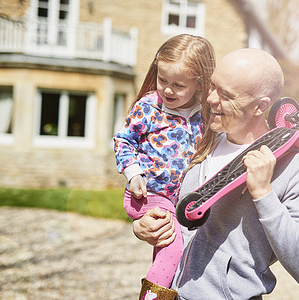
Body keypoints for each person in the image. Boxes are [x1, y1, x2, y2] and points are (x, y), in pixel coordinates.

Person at [133, 48, 299, 299]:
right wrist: (142, 225)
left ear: (260, 107)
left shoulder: (296, 165)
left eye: (226, 95)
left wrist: (263, 194)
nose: (211, 99)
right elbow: (169, 202)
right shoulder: (201, 139)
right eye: (213, 86)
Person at [113, 34, 215, 299]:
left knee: (173, 254)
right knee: (173, 249)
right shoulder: (149, 106)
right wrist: (133, 173)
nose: (168, 90)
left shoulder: (203, 115)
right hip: (147, 194)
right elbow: (123, 140)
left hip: (179, 200)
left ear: (200, 84)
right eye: (163, 81)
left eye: (178, 85)